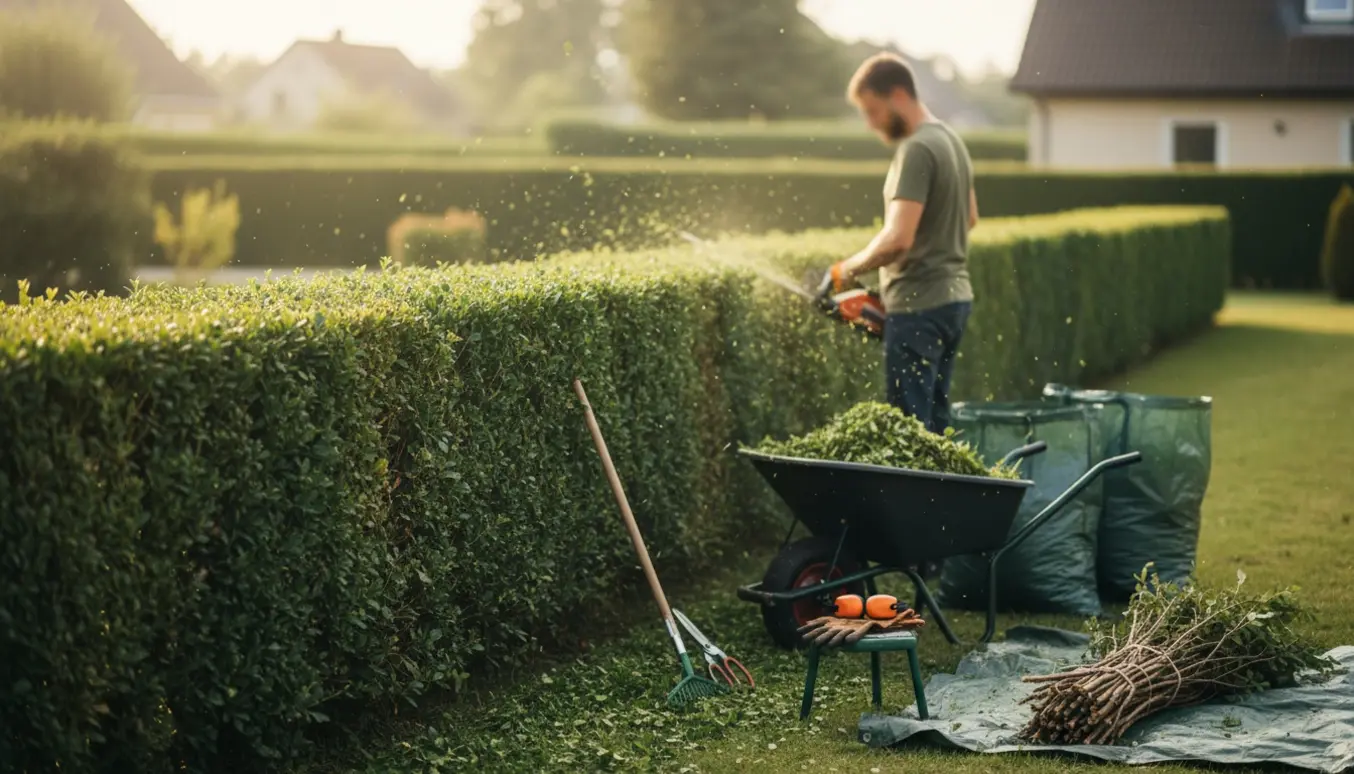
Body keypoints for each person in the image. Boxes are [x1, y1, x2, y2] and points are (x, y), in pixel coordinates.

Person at [819, 53, 979, 435]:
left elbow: (898, 238)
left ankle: (914, 495)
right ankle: (943, 494)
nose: (871, 123)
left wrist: (845, 270)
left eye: (872, 110)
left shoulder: (916, 149)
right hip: (953, 300)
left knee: (909, 429)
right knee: (936, 427)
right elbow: (970, 216)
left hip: (919, 307)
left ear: (896, 94)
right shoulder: (951, 141)